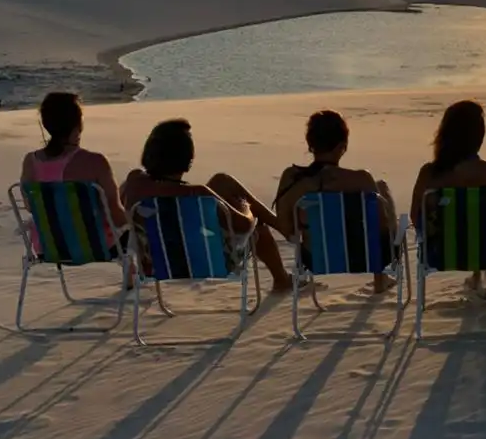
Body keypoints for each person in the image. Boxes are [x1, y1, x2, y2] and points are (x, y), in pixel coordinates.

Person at [120, 119, 292, 293]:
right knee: (257, 227)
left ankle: (280, 226)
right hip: (204, 262)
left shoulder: (134, 184)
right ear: (188, 159)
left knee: (221, 181)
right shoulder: (198, 194)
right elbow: (244, 226)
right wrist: (246, 208)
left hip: (154, 264)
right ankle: (282, 278)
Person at [273, 110, 398, 293]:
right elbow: (381, 226)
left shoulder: (291, 179)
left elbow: (286, 230)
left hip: (314, 258)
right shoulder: (361, 180)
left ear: (310, 144)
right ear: (342, 146)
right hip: (365, 257)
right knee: (381, 189)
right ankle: (380, 278)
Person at [410, 100, 486, 293]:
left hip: (441, 254)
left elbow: (416, 218)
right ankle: (480, 274)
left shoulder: (430, 175)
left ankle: (476, 275)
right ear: (479, 136)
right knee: (485, 221)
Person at [20, 91, 128, 258]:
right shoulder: (95, 162)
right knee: (136, 234)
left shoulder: (30, 162)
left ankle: (130, 272)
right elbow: (116, 215)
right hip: (97, 247)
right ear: (78, 125)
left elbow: (30, 206)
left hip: (48, 248)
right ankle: (132, 275)